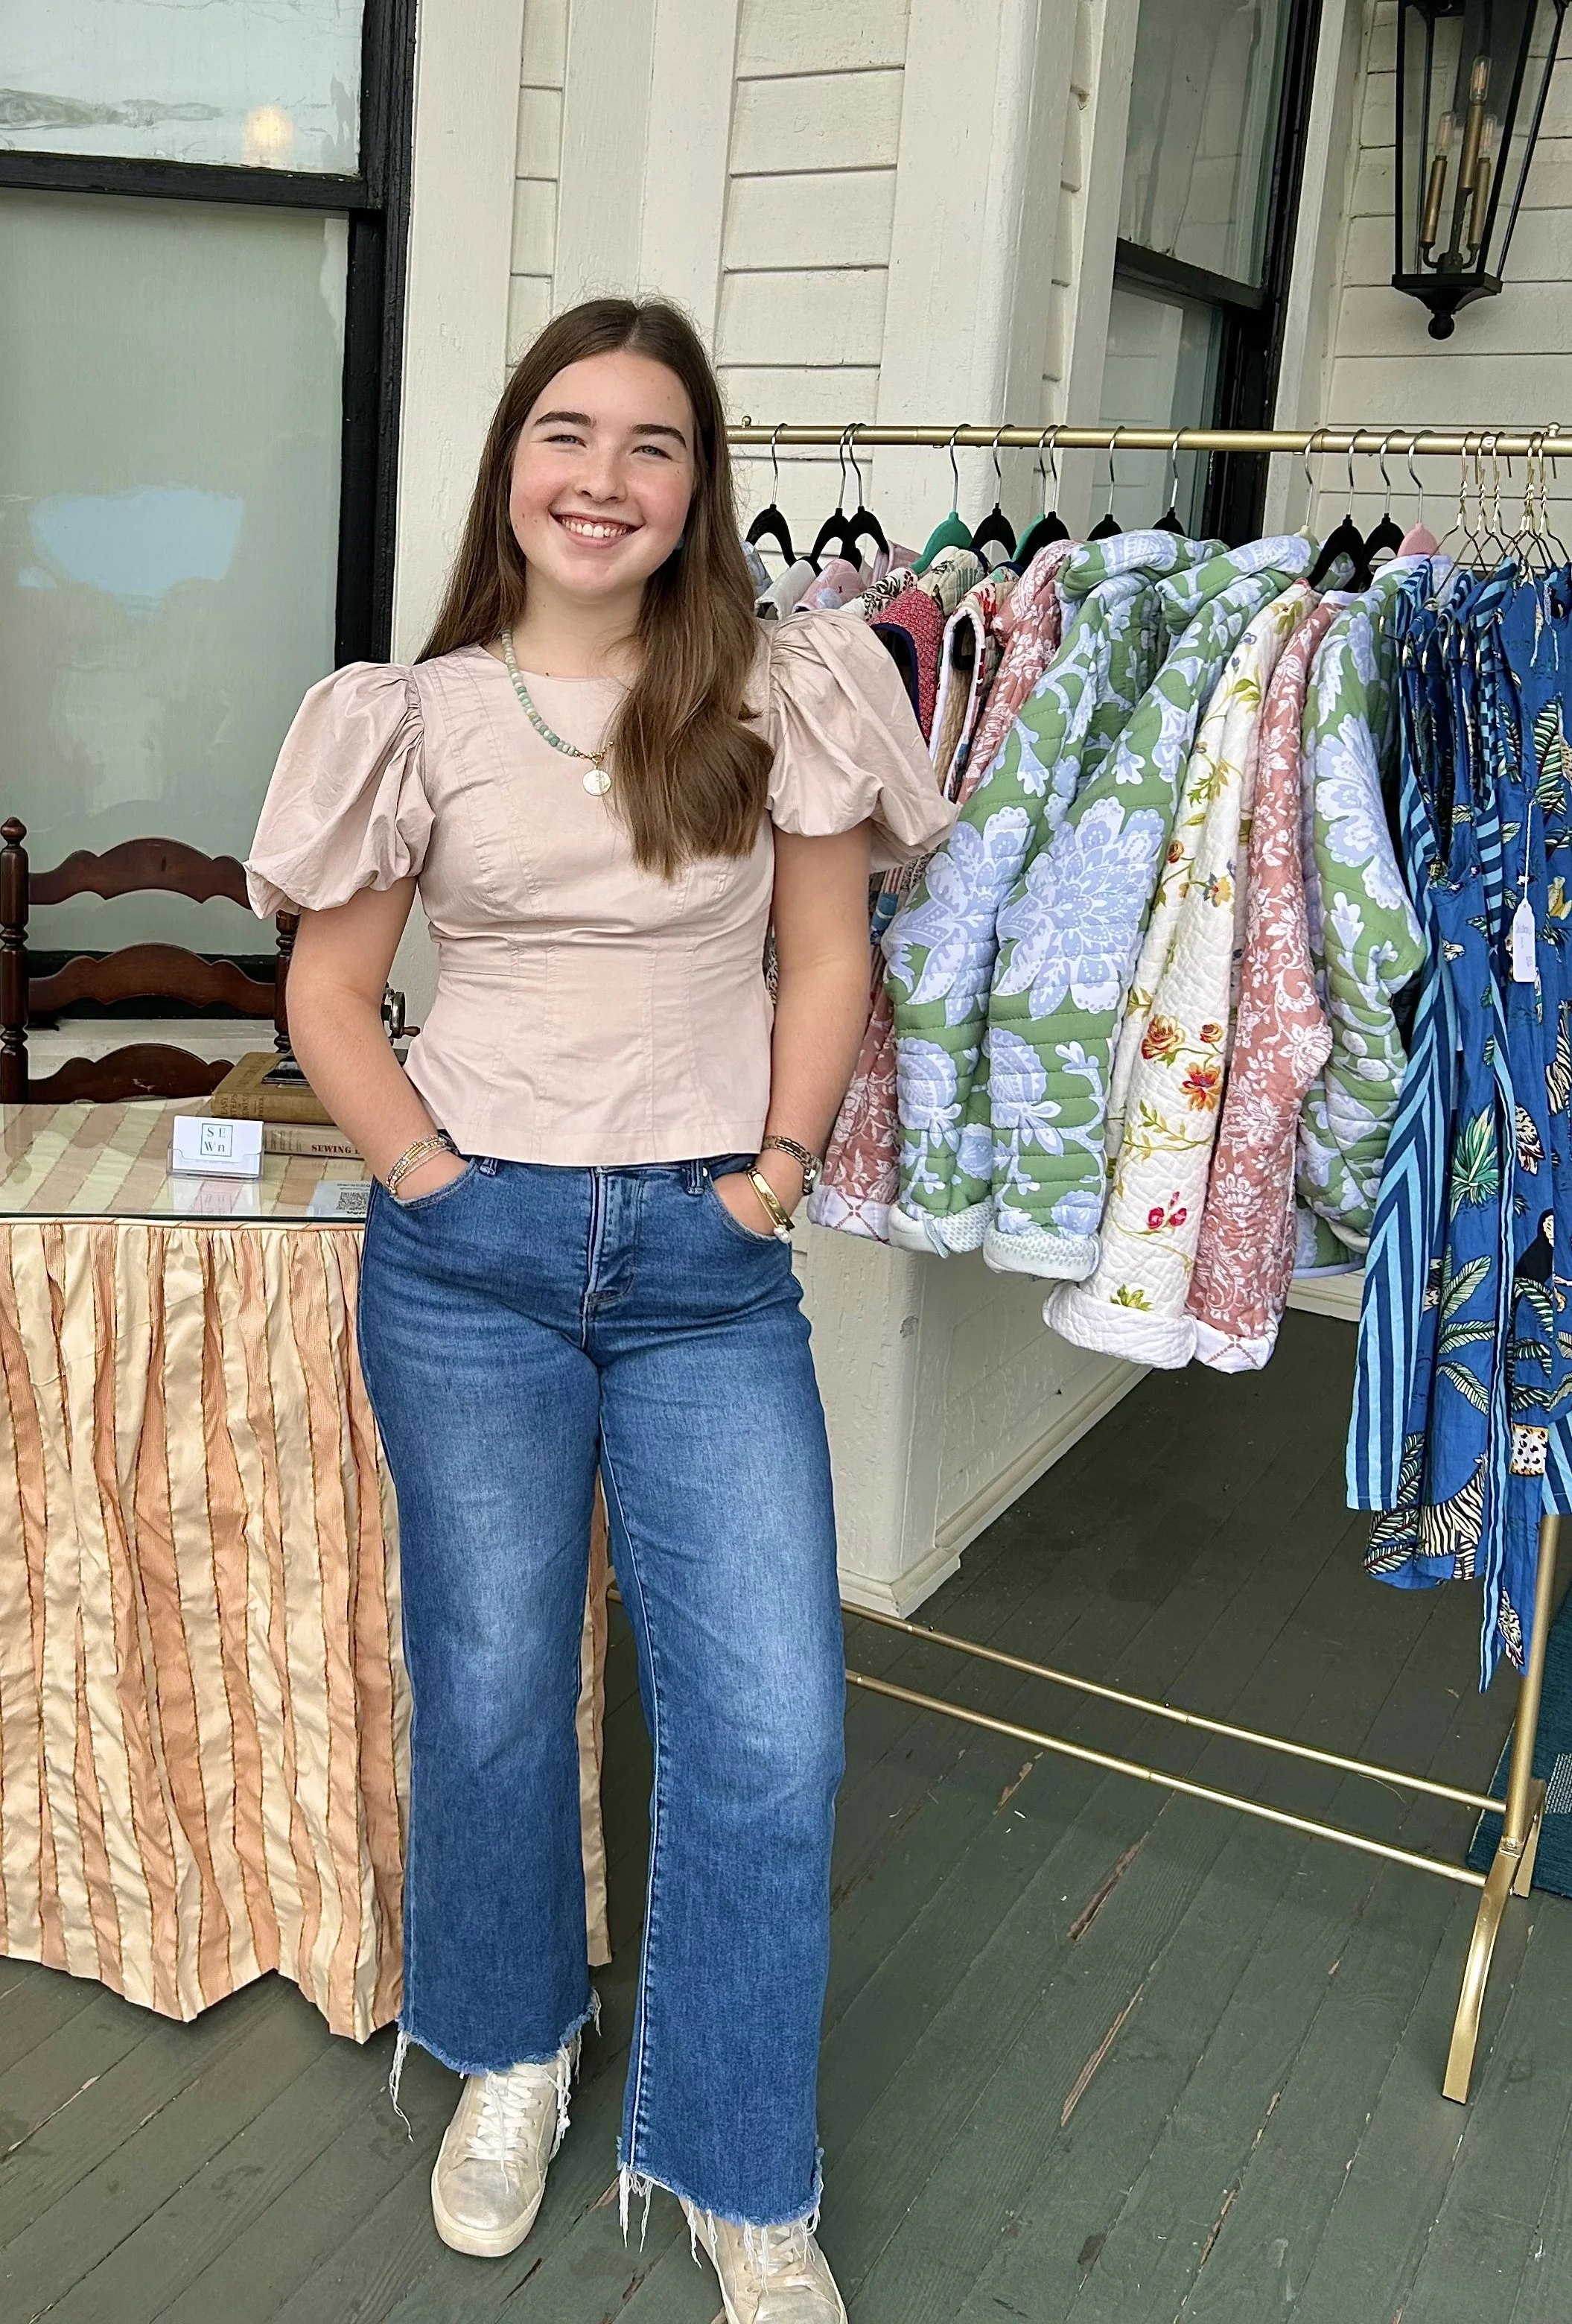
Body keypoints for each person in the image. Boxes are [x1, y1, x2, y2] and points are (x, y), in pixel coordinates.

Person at [245, 296, 952, 2320]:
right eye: (569, 433)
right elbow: (325, 988)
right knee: (485, 1693)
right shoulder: (417, 713)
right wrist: (423, 1172)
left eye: (653, 445)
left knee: (768, 1735)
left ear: (694, 490)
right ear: (509, 466)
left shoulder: (779, 696)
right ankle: (513, 2051)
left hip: (703, 1270)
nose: (604, 478)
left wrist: (776, 1173)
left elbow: (824, 963)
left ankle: (741, 2164)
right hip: (465, 1265)